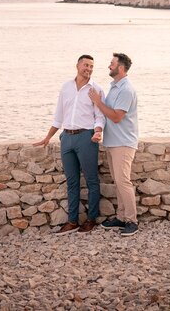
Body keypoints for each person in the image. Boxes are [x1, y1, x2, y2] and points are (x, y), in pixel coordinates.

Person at [34, 54, 105, 235]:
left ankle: (90, 220)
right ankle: (72, 221)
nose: (88, 69)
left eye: (91, 66)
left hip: (86, 138)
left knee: (91, 180)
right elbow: (59, 116)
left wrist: (98, 131)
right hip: (67, 138)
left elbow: (100, 115)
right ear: (77, 66)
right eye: (86, 65)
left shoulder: (96, 89)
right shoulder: (66, 87)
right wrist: (48, 137)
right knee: (72, 181)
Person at [88, 52, 139, 237]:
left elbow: (117, 116)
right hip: (113, 142)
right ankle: (121, 216)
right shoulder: (115, 87)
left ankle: (132, 221)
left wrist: (98, 102)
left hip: (123, 143)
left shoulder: (126, 89)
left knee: (123, 181)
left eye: (112, 63)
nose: (109, 66)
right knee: (118, 182)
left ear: (121, 68)